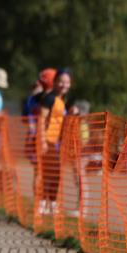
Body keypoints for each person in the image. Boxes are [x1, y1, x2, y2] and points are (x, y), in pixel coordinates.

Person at [38, 69, 72, 215]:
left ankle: (52, 204)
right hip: (49, 141)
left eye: (67, 82)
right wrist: (42, 141)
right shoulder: (49, 98)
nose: (64, 84)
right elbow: (41, 119)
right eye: (61, 81)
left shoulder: (62, 100)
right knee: (48, 174)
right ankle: (42, 204)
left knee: (56, 174)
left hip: (58, 142)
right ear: (56, 82)